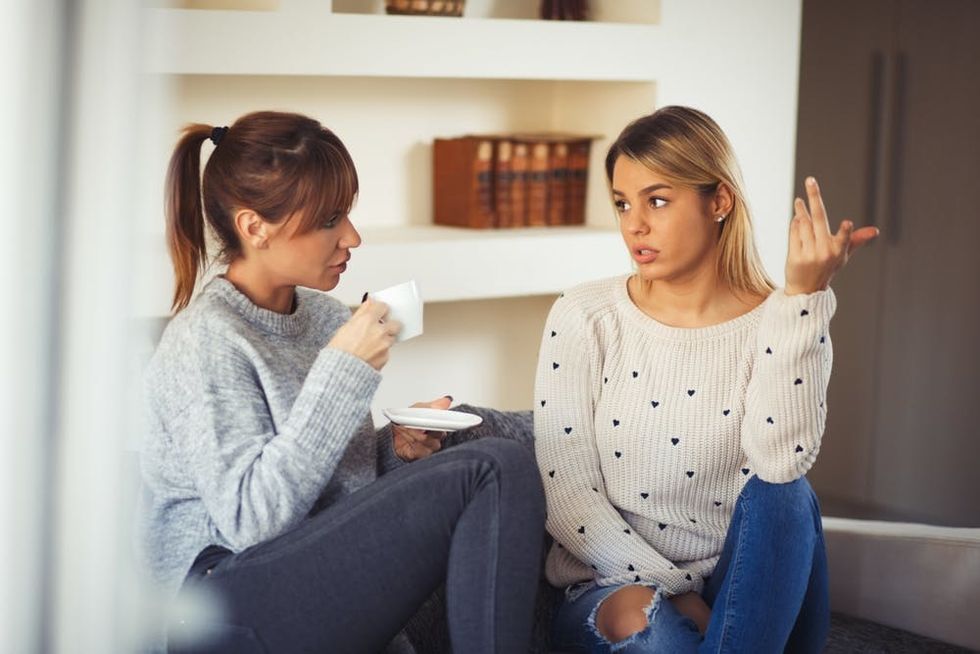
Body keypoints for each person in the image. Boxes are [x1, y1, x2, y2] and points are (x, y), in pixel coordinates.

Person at [137, 110, 545, 654]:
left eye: (346, 214)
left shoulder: (326, 318)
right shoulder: (206, 341)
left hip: (306, 586)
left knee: (489, 446)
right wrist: (343, 372)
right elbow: (252, 522)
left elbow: (335, 495)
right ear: (254, 226)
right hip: (220, 609)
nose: (351, 237)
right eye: (329, 219)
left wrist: (394, 450)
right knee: (492, 469)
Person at [533, 105, 880, 652]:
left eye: (658, 200)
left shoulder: (782, 321)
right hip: (614, 587)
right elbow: (570, 497)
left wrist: (803, 299)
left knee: (787, 495)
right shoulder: (585, 316)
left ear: (718, 201)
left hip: (750, 593)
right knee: (654, 627)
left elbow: (781, 462)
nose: (634, 224)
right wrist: (674, 592)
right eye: (623, 203)